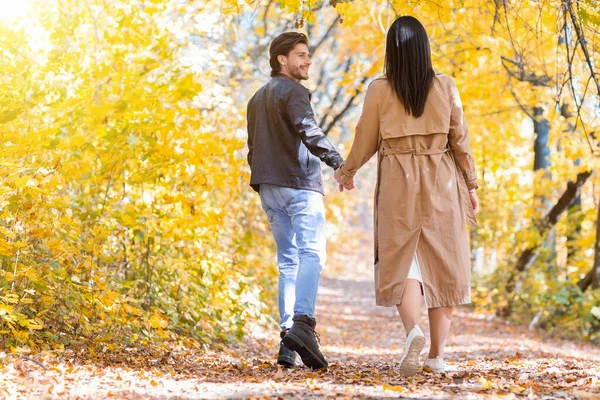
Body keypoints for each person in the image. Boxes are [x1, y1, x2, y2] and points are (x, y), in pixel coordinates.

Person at [334, 16, 480, 377]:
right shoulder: (446, 86)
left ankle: (412, 331)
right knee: (444, 264)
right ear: (424, 48)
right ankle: (436, 356)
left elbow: (364, 139)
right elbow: (460, 141)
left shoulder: (379, 89)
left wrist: (346, 171)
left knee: (404, 261)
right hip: (441, 179)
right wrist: (471, 185)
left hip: (399, 180)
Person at [246, 32, 344, 370]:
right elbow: (310, 131)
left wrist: (262, 181)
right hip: (299, 186)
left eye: (308, 55)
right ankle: (304, 325)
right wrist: (338, 161)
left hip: (269, 187)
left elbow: (252, 149)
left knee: (288, 261)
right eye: (301, 55)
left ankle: (287, 340)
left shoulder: (257, 98)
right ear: (281, 60)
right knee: (312, 253)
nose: (308, 61)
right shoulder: (294, 92)